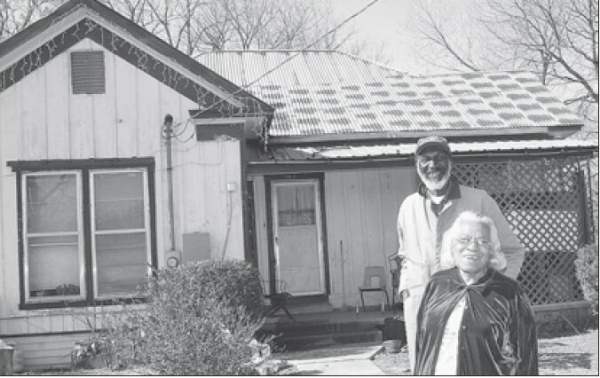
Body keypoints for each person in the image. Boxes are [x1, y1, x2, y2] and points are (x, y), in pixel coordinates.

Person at [396, 136, 525, 371]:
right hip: (420, 306)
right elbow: (405, 255)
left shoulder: (479, 200)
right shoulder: (408, 206)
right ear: (416, 165)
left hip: (469, 307)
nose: (432, 165)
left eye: (439, 159)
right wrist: (408, 291)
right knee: (425, 367)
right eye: (425, 159)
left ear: (451, 163)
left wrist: (495, 291)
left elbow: (513, 251)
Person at [414, 211, 538, 375]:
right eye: (464, 240)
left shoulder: (510, 293)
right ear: (452, 245)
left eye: (482, 241)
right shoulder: (436, 284)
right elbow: (421, 344)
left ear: (492, 250)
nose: (472, 247)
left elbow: (526, 356)